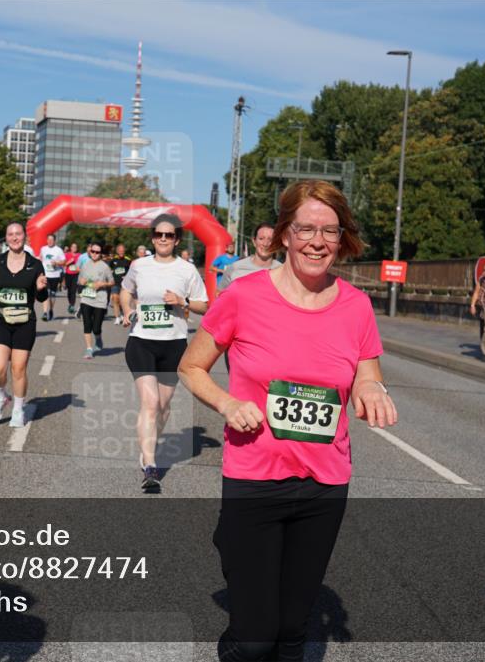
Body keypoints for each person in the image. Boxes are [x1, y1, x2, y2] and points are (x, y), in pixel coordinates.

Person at [177, 179, 397, 662]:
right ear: (283, 234)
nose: (318, 242)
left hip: (323, 486)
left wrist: (370, 389)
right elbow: (191, 367)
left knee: (292, 632)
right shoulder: (244, 296)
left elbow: (367, 375)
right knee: (255, 639)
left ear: (343, 239)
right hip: (255, 479)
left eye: (331, 232)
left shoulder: (356, 306)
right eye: (306, 229)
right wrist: (228, 405)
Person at [120, 214, 209, 492]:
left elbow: (204, 306)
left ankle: (149, 445)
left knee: (163, 406)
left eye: (169, 235)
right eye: (159, 234)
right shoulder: (139, 265)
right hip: (142, 341)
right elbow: (125, 291)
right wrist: (127, 311)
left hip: (173, 344)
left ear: (177, 239)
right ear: (152, 237)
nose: (163, 239)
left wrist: (182, 301)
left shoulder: (187, 270)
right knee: (149, 402)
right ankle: (150, 466)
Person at [0, 222, 48, 428]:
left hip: (25, 321)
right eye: (10, 234)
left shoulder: (35, 264)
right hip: (1, 319)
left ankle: (18, 409)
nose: (14, 237)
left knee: (18, 368)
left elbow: (42, 295)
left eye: (18, 234)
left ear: (25, 237)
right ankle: (1, 396)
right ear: (7, 238)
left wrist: (40, 288)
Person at [219, 222, 283, 292]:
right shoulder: (235, 268)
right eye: (261, 239)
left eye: (270, 240)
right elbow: (220, 295)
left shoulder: (283, 271)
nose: (265, 244)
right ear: (254, 242)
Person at [78, 242, 115, 359]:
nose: (94, 254)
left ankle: (98, 339)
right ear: (90, 252)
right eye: (92, 251)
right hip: (86, 298)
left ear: (100, 254)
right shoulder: (85, 265)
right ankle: (89, 349)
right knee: (87, 323)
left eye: (97, 252)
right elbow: (80, 280)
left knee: (96, 327)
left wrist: (102, 283)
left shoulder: (105, 267)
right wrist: (82, 282)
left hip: (100, 300)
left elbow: (112, 282)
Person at [39, 233, 66, 321]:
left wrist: (57, 263)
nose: (50, 241)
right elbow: (41, 258)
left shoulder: (58, 250)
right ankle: (45, 312)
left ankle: (51, 310)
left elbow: (64, 262)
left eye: (51, 240)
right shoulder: (43, 249)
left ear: (54, 241)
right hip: (45, 274)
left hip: (55, 275)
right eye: (48, 240)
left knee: (52, 295)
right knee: (46, 293)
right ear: (46, 240)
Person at [109, 243, 131, 325]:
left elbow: (132, 271)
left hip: (124, 285)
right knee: (115, 298)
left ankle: (122, 314)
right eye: (120, 251)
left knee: (122, 301)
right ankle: (117, 317)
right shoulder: (113, 260)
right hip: (115, 283)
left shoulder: (128, 260)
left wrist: (127, 276)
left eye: (122, 251)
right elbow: (109, 269)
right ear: (117, 251)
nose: (121, 252)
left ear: (124, 251)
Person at [63, 242, 82, 314]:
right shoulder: (67, 254)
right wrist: (69, 262)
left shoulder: (80, 256)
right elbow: (63, 264)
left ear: (77, 248)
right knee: (69, 290)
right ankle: (70, 303)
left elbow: (82, 264)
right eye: (73, 247)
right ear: (70, 248)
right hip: (68, 274)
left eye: (75, 247)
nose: (74, 248)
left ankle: (72, 305)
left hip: (76, 274)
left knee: (73, 290)